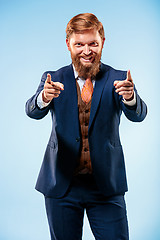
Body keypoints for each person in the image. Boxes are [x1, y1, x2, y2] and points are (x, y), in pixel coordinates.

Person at [25, 13, 147, 240]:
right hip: (61, 186)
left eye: (93, 43)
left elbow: (138, 115)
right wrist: (43, 97)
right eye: (79, 44)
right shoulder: (53, 77)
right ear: (68, 44)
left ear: (102, 43)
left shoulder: (118, 78)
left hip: (106, 186)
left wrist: (130, 98)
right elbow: (32, 111)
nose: (87, 51)